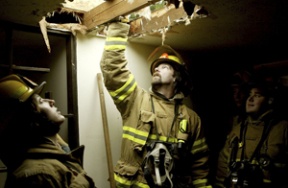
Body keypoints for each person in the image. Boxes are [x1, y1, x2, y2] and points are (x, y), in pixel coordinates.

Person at [100, 21, 212, 188]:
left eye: (164, 66)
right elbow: (112, 69)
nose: (157, 69)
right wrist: (119, 26)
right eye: (155, 67)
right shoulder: (135, 99)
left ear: (176, 78)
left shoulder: (191, 119)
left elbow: (200, 165)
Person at [0, 74, 96, 188]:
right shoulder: (38, 175)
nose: (51, 101)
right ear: (31, 118)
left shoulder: (58, 156)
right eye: (41, 101)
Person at [215, 77, 288, 188]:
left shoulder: (282, 129)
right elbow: (223, 166)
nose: (250, 99)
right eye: (250, 94)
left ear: (270, 100)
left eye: (257, 95)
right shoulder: (237, 130)